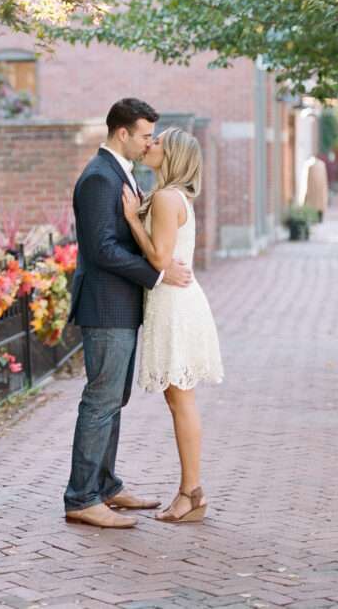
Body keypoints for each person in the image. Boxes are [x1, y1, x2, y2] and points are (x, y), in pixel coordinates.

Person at [63, 98, 193, 530]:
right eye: (143, 135)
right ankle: (82, 497)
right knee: (100, 401)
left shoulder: (121, 173)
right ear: (122, 133)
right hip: (105, 307)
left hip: (121, 305)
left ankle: (105, 486)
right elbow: (102, 249)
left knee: (113, 399)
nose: (148, 142)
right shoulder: (100, 177)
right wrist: (157, 275)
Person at [121, 127, 224, 522]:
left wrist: (132, 219)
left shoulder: (166, 198)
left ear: (174, 155)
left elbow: (161, 260)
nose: (150, 144)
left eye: (158, 141)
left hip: (175, 306)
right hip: (175, 302)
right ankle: (190, 492)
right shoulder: (172, 196)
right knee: (178, 399)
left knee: (181, 400)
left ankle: (191, 493)